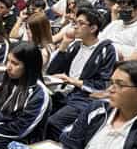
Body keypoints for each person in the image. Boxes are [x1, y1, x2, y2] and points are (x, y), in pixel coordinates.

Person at [46, 8, 116, 140]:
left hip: (85, 98)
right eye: (75, 23)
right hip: (64, 93)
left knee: (53, 123)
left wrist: (73, 81)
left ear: (93, 28)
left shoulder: (107, 50)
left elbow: (103, 85)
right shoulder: (75, 45)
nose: (75, 26)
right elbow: (52, 71)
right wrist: (64, 44)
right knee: (39, 113)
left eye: (81, 23)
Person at [0, 42, 51, 149]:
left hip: (14, 147)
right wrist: (7, 120)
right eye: (8, 61)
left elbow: (19, 130)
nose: (8, 67)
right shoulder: (5, 80)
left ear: (29, 66)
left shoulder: (39, 95)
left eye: (15, 63)